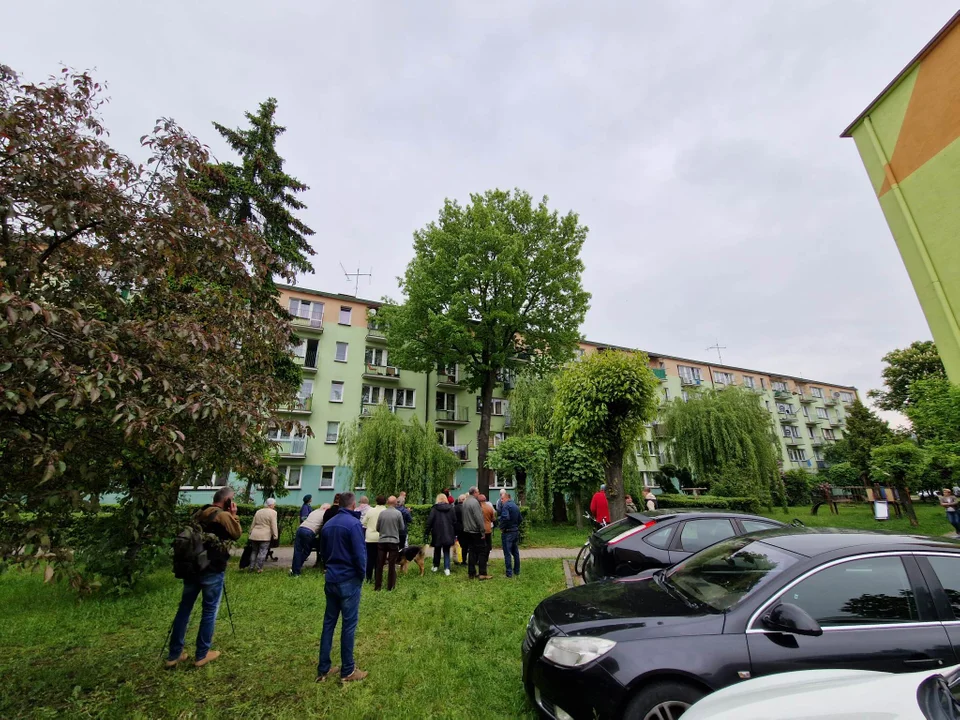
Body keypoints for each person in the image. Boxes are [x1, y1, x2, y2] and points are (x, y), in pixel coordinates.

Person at [165, 487, 242, 669]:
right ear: (227, 501)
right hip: (212, 569)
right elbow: (237, 533)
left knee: (184, 609)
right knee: (209, 610)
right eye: (232, 499)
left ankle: (174, 655)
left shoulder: (199, 513)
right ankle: (202, 654)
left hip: (192, 568)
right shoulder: (223, 515)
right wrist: (234, 515)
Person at [316, 491, 368, 683]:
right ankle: (348, 670)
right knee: (348, 624)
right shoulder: (353, 524)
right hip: (348, 579)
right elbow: (359, 554)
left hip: (331, 579)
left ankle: (323, 669)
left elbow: (323, 551)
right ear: (353, 505)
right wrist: (361, 575)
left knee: (329, 623)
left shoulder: (328, 524)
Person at [375, 496, 403, 591]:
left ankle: (377, 586)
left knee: (380, 564)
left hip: (382, 541)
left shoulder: (382, 513)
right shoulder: (398, 513)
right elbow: (402, 527)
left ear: (387, 502)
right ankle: (390, 586)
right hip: (393, 541)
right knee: (392, 564)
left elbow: (377, 528)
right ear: (395, 503)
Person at [463, 487, 490, 580]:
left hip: (467, 530)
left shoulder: (465, 501)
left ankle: (471, 573)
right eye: (478, 492)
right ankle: (482, 573)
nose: (479, 493)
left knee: (472, 551)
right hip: (475, 531)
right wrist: (482, 531)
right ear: (474, 492)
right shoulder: (475, 502)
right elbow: (479, 518)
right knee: (482, 551)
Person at [426, 493, 456, 575]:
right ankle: (447, 568)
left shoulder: (434, 509)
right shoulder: (451, 508)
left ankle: (436, 566)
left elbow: (430, 521)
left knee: (437, 549)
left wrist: (427, 532)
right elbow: (454, 521)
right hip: (448, 532)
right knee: (446, 550)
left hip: (437, 532)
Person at [291, 504, 325, 577]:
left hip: (300, 529)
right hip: (309, 532)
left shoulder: (314, 511)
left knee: (297, 551)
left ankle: (294, 570)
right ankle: (296, 569)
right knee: (306, 551)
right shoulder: (324, 514)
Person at [248, 498, 279, 573]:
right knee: (262, 552)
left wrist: (250, 532)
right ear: (271, 505)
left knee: (254, 551)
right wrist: (275, 535)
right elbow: (273, 525)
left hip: (255, 534)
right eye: (274, 504)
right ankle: (259, 568)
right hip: (265, 535)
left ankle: (251, 567)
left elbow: (253, 523)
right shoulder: (273, 512)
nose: (274, 506)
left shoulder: (258, 511)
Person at [361, 495, 385, 583]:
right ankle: (377, 577)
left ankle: (368, 578)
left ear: (376, 501)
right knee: (379, 559)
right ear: (385, 502)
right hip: (381, 537)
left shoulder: (370, 511)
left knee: (370, 558)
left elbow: (363, 522)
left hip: (370, 537)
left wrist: (369, 526)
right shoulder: (385, 511)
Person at [499, 492, 521, 579]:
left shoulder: (506, 506)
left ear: (507, 498)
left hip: (507, 532)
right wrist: (515, 526)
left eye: (502, 499)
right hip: (515, 531)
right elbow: (520, 519)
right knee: (515, 552)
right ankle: (517, 570)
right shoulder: (515, 506)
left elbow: (505, 518)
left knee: (507, 553)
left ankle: (509, 573)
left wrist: (502, 527)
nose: (501, 500)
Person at [480, 493, 495, 575]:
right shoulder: (489, 508)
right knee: (488, 546)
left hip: (479, 530)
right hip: (488, 529)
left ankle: (479, 560)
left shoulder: (477, 508)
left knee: (480, 546)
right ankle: (485, 560)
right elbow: (493, 519)